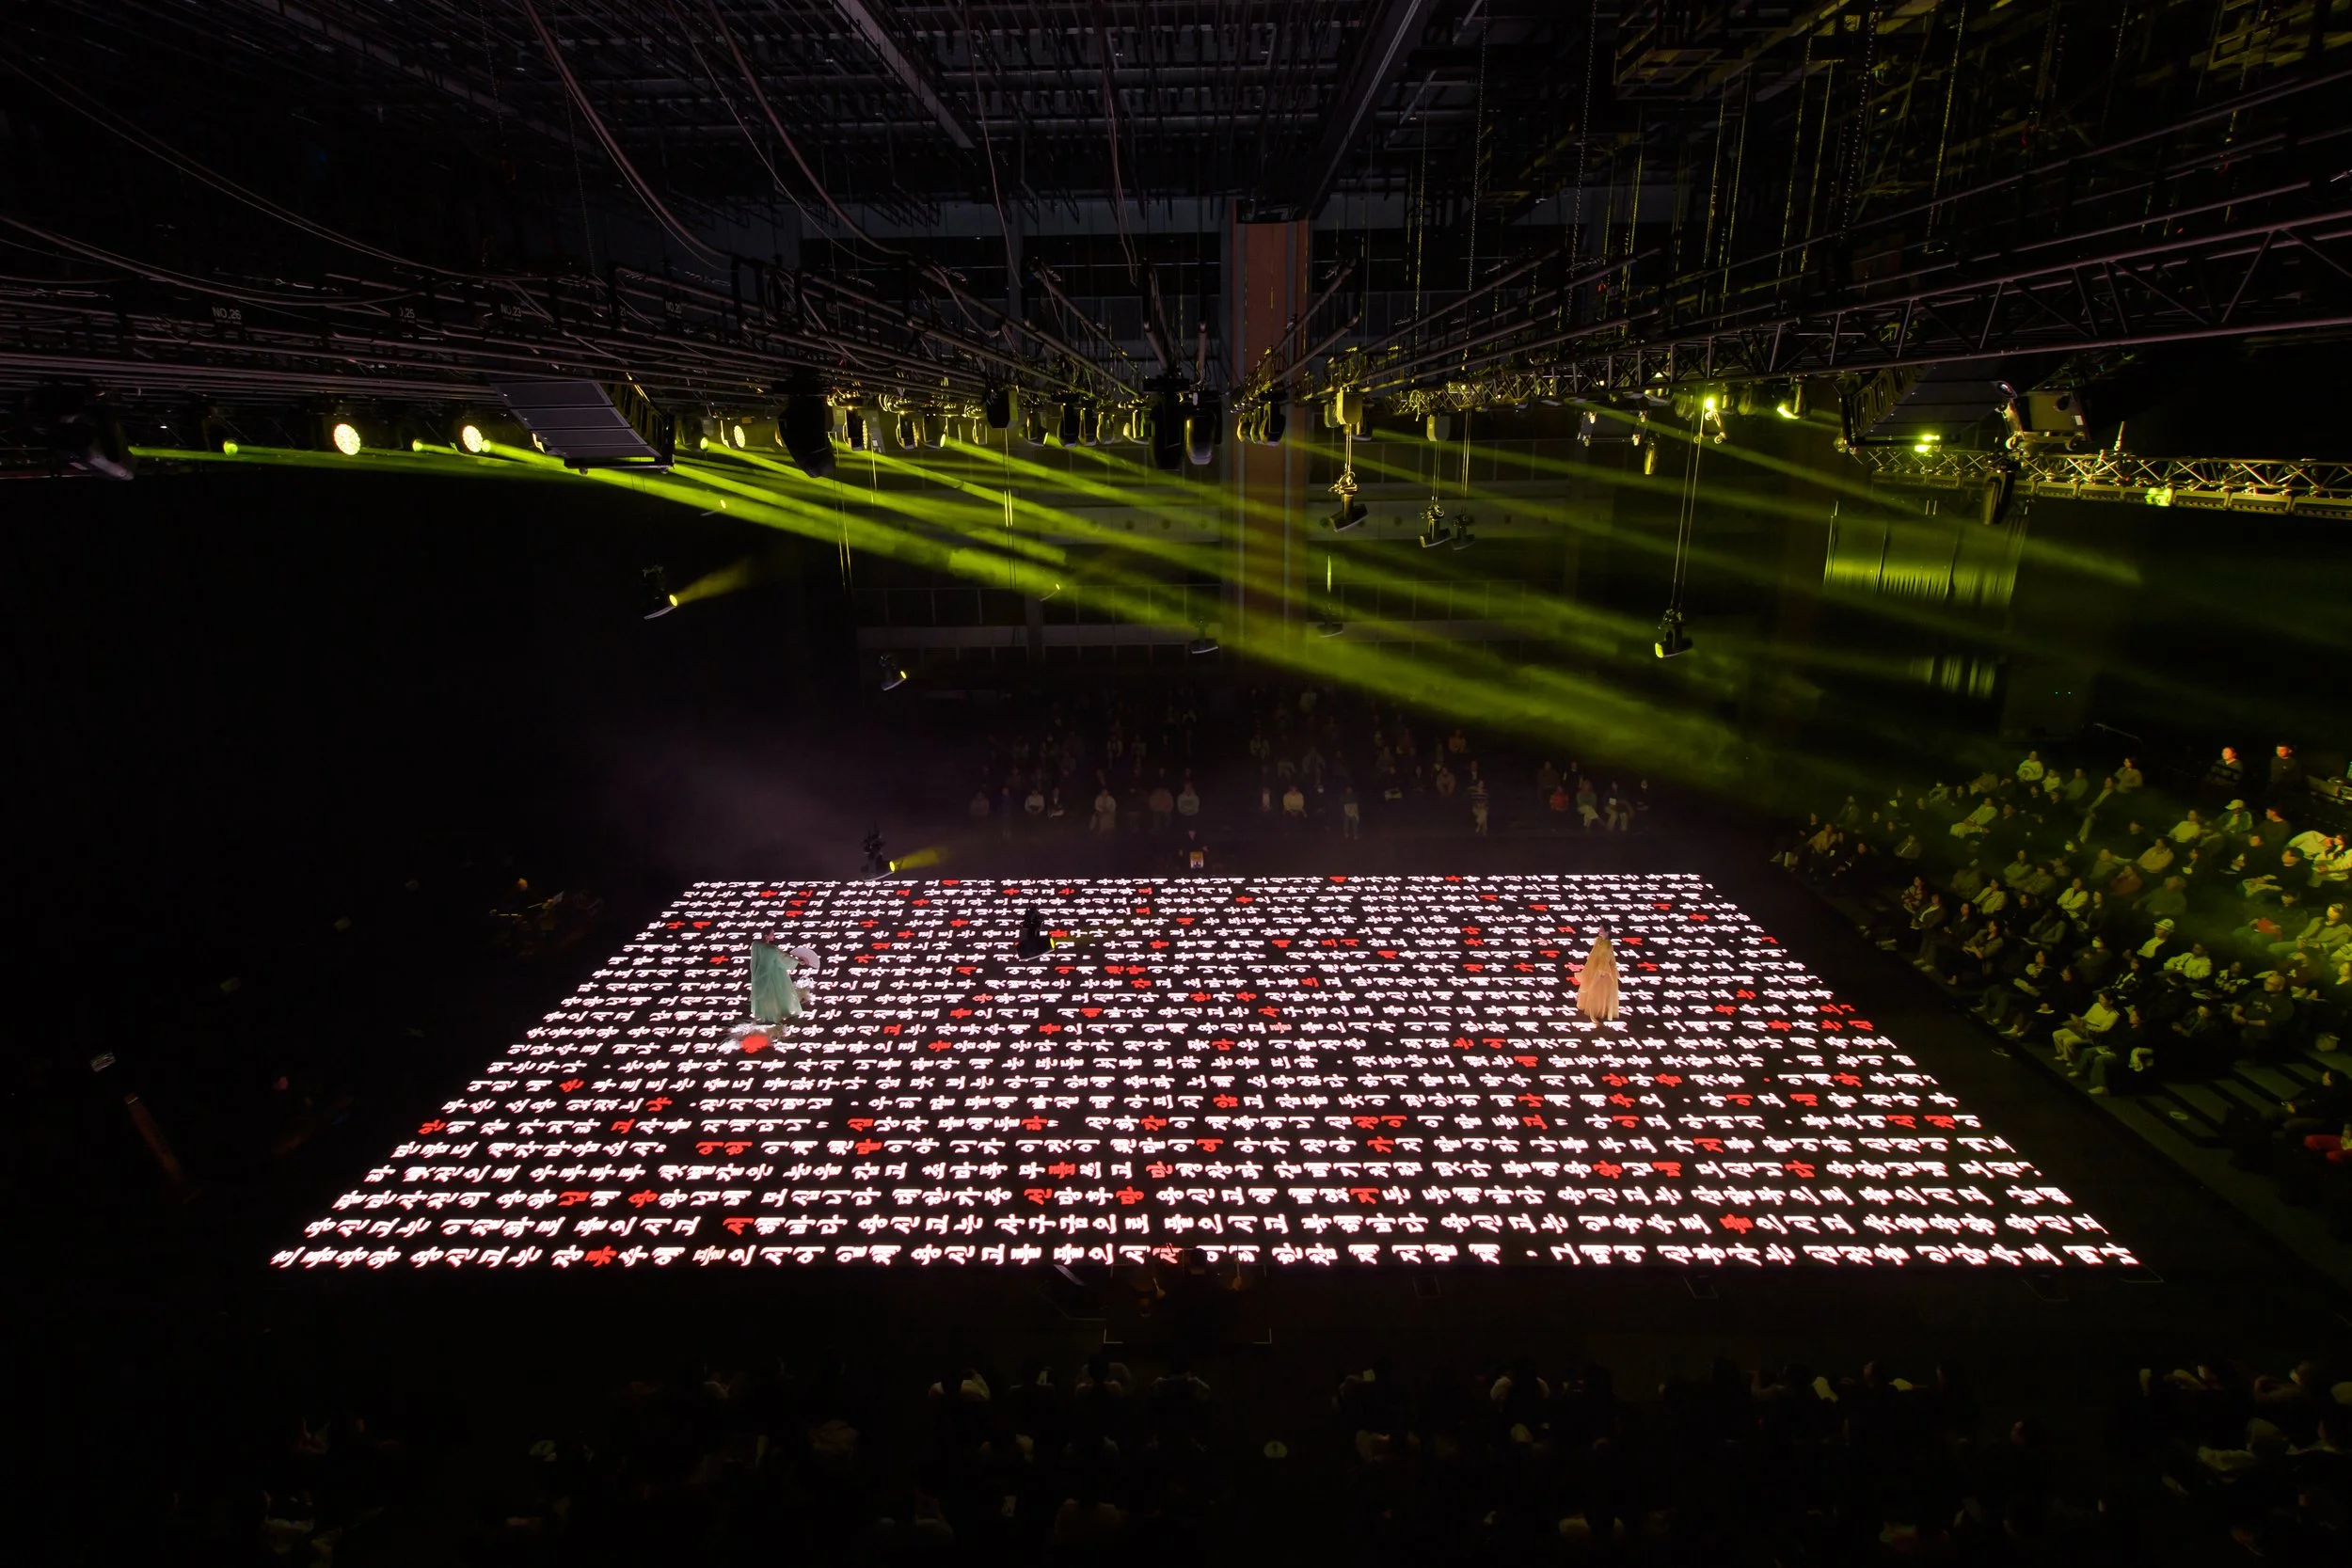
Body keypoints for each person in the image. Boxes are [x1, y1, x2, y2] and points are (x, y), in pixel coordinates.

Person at [1577, 930, 1620, 1022]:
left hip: (1603, 973)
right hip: (1596, 969)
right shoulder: (1599, 941)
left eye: (1601, 929)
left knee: (1599, 992)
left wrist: (1601, 972)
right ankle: (1593, 1008)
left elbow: (1606, 960)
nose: (1599, 931)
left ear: (1607, 932)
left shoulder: (1608, 946)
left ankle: (1599, 1011)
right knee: (1593, 990)